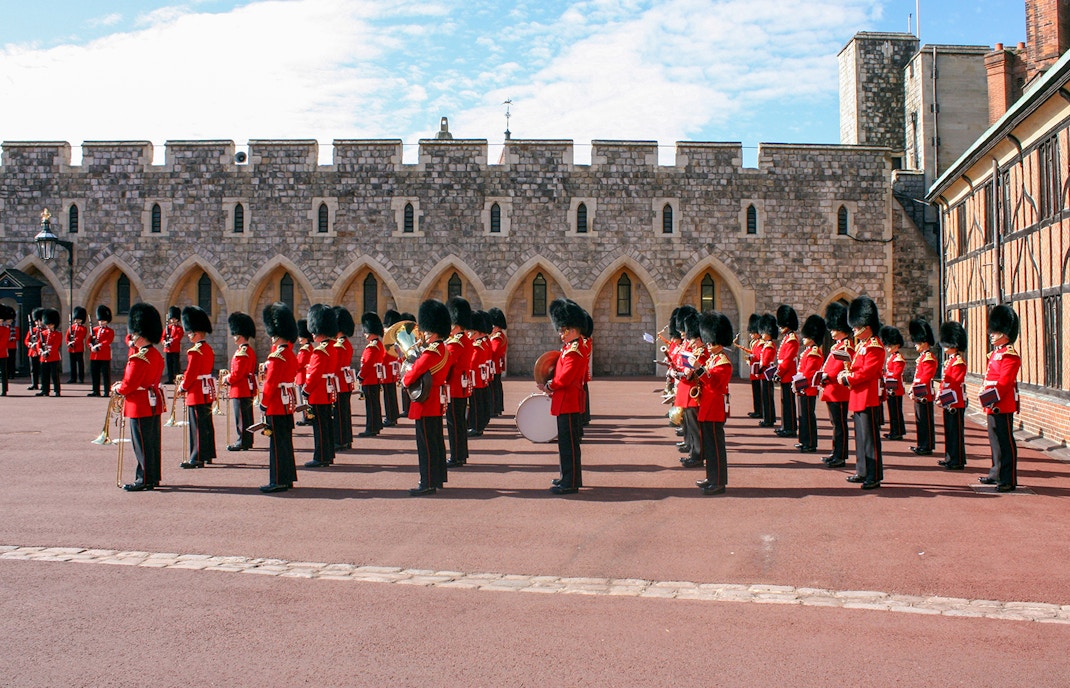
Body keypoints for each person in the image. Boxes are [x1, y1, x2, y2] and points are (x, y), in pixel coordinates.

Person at [402, 299, 452, 496]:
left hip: (426, 401)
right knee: (436, 441)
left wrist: (406, 376)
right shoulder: (443, 350)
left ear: (431, 330)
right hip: (434, 400)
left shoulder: (431, 353)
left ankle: (427, 482)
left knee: (426, 445)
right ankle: (437, 477)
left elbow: (411, 376)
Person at [115, 303, 166, 491]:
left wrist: (118, 389)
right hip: (153, 402)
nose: (132, 338)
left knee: (142, 444)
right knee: (152, 443)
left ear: (140, 335)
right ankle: (152, 477)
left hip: (139, 404)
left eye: (134, 335)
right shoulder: (155, 355)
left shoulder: (139, 358)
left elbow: (129, 384)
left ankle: (143, 478)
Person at [540, 298, 588, 495]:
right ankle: (568, 477)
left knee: (569, 445)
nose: (560, 334)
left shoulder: (574, 351)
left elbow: (564, 379)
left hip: (568, 401)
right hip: (565, 401)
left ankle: (570, 482)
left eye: (563, 330)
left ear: (573, 330)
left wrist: (548, 385)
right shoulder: (570, 349)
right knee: (566, 444)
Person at [838, 296, 886, 490]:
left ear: (867, 326)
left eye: (857, 327)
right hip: (858, 395)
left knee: (870, 438)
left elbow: (868, 372)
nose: (854, 330)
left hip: (868, 395)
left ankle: (873, 475)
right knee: (860, 436)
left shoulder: (875, 346)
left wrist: (848, 378)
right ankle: (862, 470)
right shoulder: (862, 346)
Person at [979, 305, 1021, 492]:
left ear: (1004, 333)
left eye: (995, 332)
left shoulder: (1010, 355)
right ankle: (996, 472)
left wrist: (989, 398)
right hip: (991, 402)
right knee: (994, 440)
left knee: (1005, 441)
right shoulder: (996, 353)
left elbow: (1004, 382)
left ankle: (1008, 479)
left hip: (1001, 403)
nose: (991, 335)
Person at [259, 302, 300, 493]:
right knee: (285, 442)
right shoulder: (290, 355)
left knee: (276, 444)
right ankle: (287, 477)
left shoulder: (277, 356)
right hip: (287, 403)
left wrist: (263, 403)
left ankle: (278, 479)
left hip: (276, 404)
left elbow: (270, 384)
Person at [694, 311, 734, 495]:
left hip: (715, 408)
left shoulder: (723, 362)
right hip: (707, 406)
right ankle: (711, 477)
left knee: (716, 447)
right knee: (709, 446)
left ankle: (718, 482)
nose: (708, 345)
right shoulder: (713, 359)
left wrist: (700, 371)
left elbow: (716, 385)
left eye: (710, 341)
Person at [179, 306, 217, 469]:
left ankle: (197, 456)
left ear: (195, 332)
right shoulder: (207, 349)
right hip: (206, 390)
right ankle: (207, 453)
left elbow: (191, 373)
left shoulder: (195, 351)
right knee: (206, 423)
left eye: (189, 332)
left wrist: (182, 386)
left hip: (196, 391)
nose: (188, 335)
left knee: (197, 426)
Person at [819, 303, 854, 468]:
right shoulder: (837, 346)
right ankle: (835, 452)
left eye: (834, 328)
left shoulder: (847, 346)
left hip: (839, 390)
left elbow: (842, 367)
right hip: (831, 389)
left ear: (841, 328)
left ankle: (840, 456)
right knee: (835, 424)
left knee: (840, 424)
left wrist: (827, 376)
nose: (831, 331)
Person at [304, 304, 338, 468]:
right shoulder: (332, 348)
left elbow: (315, 375)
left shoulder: (320, 351)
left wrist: (306, 390)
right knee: (326, 424)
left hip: (318, 392)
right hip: (328, 391)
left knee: (320, 427)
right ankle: (328, 454)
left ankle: (321, 456)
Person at [444, 297, 475, 468]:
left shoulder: (455, 343)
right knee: (459, 423)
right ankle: (461, 454)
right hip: (460, 386)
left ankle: (456, 456)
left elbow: (446, 363)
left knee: (454, 423)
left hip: (454, 387)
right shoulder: (465, 340)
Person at [675, 309, 706, 468]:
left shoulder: (703, 352)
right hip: (688, 391)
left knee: (696, 428)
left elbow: (703, 372)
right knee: (691, 426)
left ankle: (698, 455)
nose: (691, 342)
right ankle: (694, 452)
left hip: (695, 393)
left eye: (694, 339)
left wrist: (689, 371)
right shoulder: (696, 350)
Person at [937, 321, 967, 471]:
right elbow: (945, 382)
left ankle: (957, 460)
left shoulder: (958, 362)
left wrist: (944, 398)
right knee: (949, 431)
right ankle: (950, 457)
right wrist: (941, 395)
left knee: (955, 432)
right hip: (948, 400)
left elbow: (955, 384)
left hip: (955, 402)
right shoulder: (950, 362)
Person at [225, 312, 258, 451]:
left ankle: (242, 441)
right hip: (247, 387)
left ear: (239, 335)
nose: (233, 337)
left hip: (240, 388)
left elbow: (238, 374)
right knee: (247, 416)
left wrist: (228, 379)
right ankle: (248, 440)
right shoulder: (248, 350)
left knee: (241, 418)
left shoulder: (241, 352)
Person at [794, 314, 825, 453]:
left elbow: (809, 373)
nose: (803, 339)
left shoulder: (814, 352)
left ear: (812, 338)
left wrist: (799, 385)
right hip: (802, 388)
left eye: (806, 337)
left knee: (808, 416)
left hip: (808, 388)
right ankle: (803, 440)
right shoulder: (808, 351)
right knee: (802, 416)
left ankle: (810, 443)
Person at [908, 319, 938, 457]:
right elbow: (917, 377)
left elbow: (925, 379)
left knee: (925, 421)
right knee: (920, 420)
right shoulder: (922, 358)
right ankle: (922, 444)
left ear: (924, 342)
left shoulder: (929, 358)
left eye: (917, 342)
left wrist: (916, 391)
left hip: (924, 394)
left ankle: (926, 445)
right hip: (919, 393)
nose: (915, 345)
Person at [357, 311, 385, 438]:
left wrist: (360, 376)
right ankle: (376, 425)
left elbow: (367, 364)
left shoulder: (372, 347)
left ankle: (371, 427)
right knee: (375, 403)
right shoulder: (378, 344)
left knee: (371, 406)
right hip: (374, 378)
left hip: (369, 379)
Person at [774, 305, 800, 438]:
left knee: (789, 402)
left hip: (788, 374)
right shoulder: (787, 338)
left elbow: (787, 360)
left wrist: (779, 372)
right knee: (785, 401)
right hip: (785, 373)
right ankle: (786, 425)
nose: (780, 327)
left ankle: (790, 428)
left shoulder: (792, 339)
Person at [332, 306, 357, 448]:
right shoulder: (346, 343)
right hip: (344, 382)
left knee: (340, 414)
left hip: (338, 383)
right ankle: (346, 439)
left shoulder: (339, 345)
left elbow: (335, 368)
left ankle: (340, 440)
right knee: (345, 412)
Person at [467, 310, 492, 437]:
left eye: (471, 332)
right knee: (480, 402)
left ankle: (476, 427)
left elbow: (472, 364)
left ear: (478, 332)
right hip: (480, 377)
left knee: (476, 404)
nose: (469, 334)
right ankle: (478, 424)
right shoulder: (483, 343)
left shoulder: (478, 346)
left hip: (475, 378)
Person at [880, 325, 907, 441]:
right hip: (890, 387)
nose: (888, 348)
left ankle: (897, 432)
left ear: (896, 345)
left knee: (896, 411)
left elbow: (896, 374)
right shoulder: (892, 357)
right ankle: (894, 430)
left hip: (895, 388)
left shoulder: (898, 358)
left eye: (890, 346)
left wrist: (886, 376)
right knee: (892, 411)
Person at [381, 309, 403, 427]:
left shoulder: (389, 337)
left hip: (386, 370)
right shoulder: (395, 336)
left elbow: (385, 354)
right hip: (392, 368)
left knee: (388, 395)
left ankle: (390, 417)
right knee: (391, 393)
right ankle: (393, 415)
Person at [757, 313, 779, 428]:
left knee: (768, 398)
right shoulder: (767, 344)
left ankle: (769, 419)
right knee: (765, 397)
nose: (762, 334)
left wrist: (759, 369)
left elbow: (765, 361)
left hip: (766, 374)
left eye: (763, 332)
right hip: (764, 374)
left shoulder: (770, 345)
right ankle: (768, 418)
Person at [740, 313, 763, 418]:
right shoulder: (755, 342)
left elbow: (758, 357)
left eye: (753, 332)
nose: (751, 334)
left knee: (759, 393)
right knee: (755, 392)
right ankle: (756, 410)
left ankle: (760, 411)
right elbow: (754, 353)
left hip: (759, 371)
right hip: (754, 371)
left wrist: (751, 359)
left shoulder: (761, 343)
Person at [88, 305, 115, 397]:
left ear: (106, 321)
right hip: (94, 355)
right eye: (100, 321)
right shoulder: (94, 330)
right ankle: (95, 390)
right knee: (94, 374)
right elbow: (89, 340)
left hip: (104, 355)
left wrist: (99, 345)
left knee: (105, 374)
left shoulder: (109, 331)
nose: (101, 322)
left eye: (103, 321)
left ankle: (106, 391)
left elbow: (108, 341)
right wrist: (91, 346)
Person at [37, 309, 63, 396]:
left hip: (53, 357)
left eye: (50, 324)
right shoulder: (43, 333)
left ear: (54, 324)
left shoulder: (57, 334)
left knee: (54, 375)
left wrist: (47, 352)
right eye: (47, 324)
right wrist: (41, 351)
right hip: (43, 357)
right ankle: (45, 390)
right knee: (44, 375)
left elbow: (55, 346)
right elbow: (39, 344)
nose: (48, 326)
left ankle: (57, 391)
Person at [488, 307, 508, 417]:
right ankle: (497, 408)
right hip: (496, 366)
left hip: (493, 366)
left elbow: (493, 352)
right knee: (496, 387)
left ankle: (495, 409)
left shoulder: (497, 337)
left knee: (494, 388)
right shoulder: (500, 336)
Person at [66, 306, 88, 384]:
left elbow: (80, 337)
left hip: (79, 348)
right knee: (72, 364)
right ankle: (73, 378)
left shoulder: (83, 328)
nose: (76, 321)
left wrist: (73, 342)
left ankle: (81, 378)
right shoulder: (71, 327)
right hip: (71, 348)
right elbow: (67, 336)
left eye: (78, 319)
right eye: (75, 319)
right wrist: (68, 342)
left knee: (80, 364)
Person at [163, 306, 184, 384]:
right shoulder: (167, 328)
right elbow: (163, 336)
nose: (173, 320)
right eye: (172, 319)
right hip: (168, 349)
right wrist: (165, 342)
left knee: (175, 365)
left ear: (177, 319)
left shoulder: (179, 329)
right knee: (169, 365)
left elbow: (178, 337)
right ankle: (170, 378)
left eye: (174, 319)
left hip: (175, 348)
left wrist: (171, 341)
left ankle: (176, 378)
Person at [25, 308, 43, 391]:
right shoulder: (32, 330)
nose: (37, 323)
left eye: (39, 321)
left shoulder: (44, 331)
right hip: (32, 352)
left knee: (42, 369)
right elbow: (26, 340)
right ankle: (34, 384)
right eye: (36, 321)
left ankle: (43, 384)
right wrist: (29, 344)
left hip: (40, 352)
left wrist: (36, 344)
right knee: (33, 369)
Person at [0, 305, 12, 396]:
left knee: (3, 373)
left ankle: (4, 390)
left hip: (2, 353)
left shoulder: (5, 329)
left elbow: (3, 342)